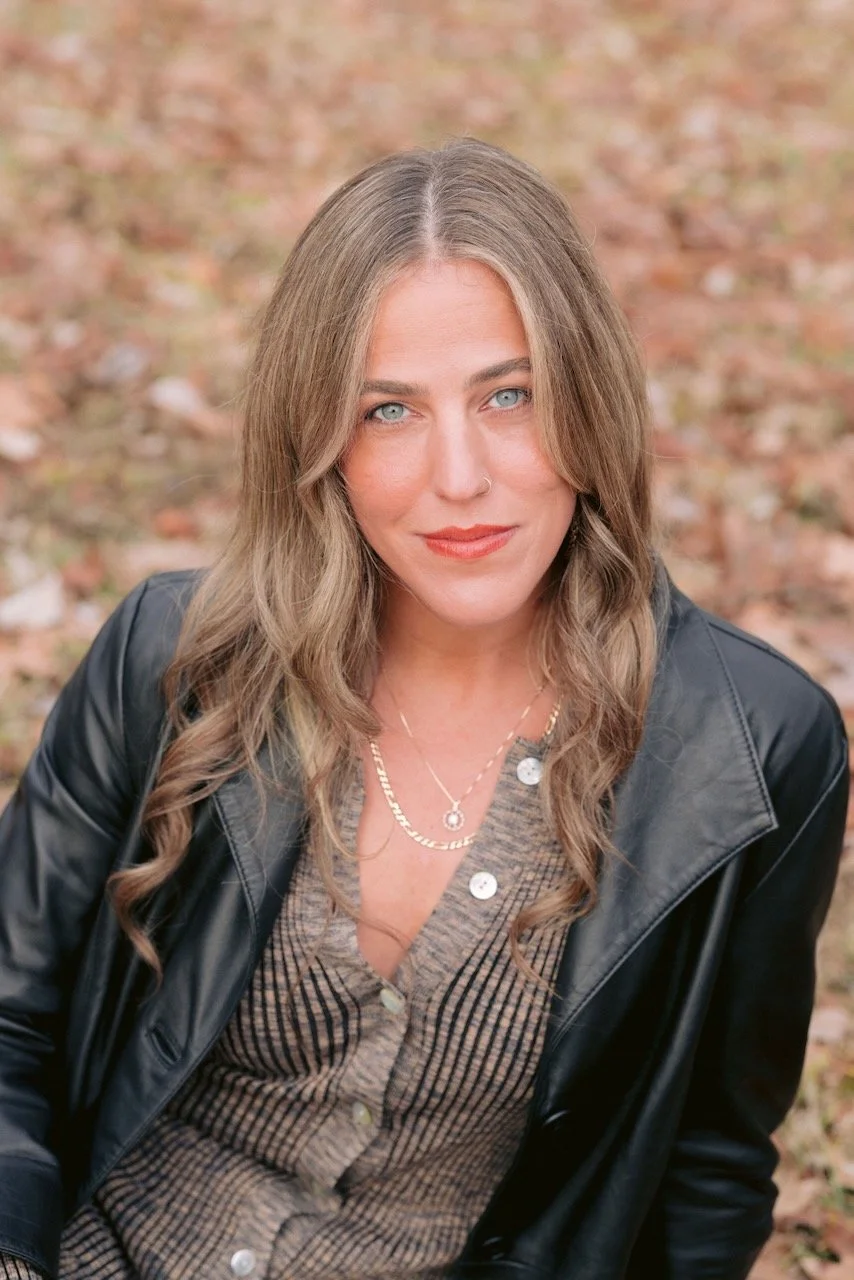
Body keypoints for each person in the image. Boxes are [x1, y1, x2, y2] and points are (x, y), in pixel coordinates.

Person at [0, 138, 848, 1280]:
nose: (460, 474)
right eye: (387, 410)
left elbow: (704, 1163)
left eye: (509, 395)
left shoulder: (747, 750)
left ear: (588, 400)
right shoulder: (176, 659)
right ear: (320, 443)